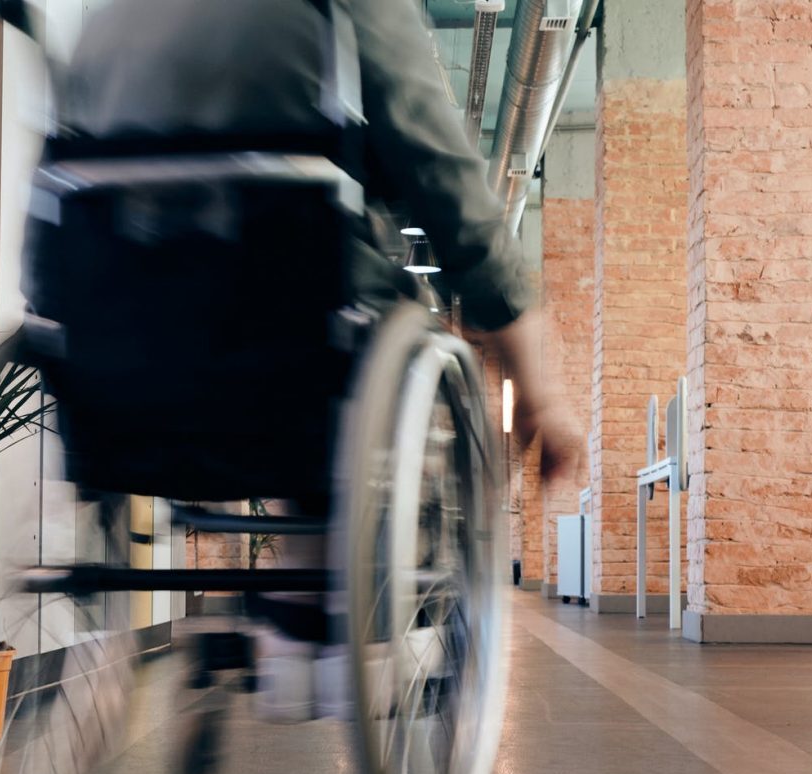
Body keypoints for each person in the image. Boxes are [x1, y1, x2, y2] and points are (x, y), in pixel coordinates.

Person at [51, 0, 575, 478]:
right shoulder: (346, 9)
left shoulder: (106, 22)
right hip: (293, 358)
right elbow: (448, 185)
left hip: (122, 372)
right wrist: (536, 392)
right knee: (346, 315)